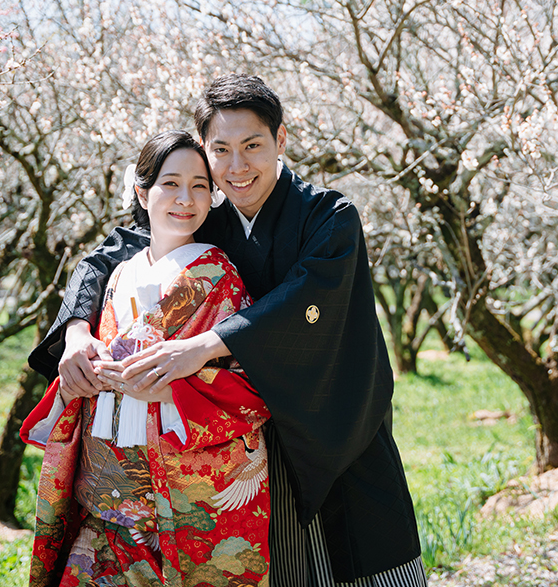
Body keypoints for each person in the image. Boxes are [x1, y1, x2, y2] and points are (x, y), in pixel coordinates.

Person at [28, 75, 425, 587]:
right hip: (237, 438)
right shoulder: (205, 218)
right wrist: (78, 330)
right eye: (221, 150)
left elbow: (305, 297)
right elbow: (108, 253)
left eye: (253, 146)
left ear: (281, 141)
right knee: (270, 565)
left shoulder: (330, 216)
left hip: (329, 426)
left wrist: (203, 346)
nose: (237, 167)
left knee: (360, 562)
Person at [21, 130, 271, 587]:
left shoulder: (220, 276)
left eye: (200, 185)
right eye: (170, 184)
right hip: (101, 494)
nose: (186, 198)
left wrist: (176, 386)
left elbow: (256, 382)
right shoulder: (119, 273)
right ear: (142, 190)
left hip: (175, 502)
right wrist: (81, 372)